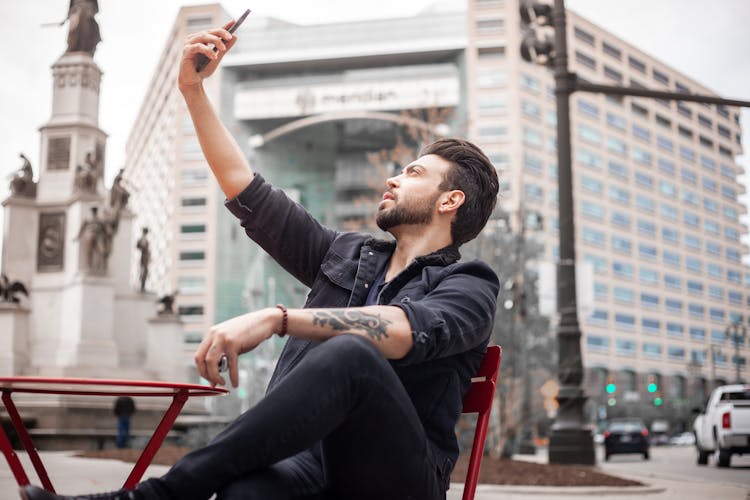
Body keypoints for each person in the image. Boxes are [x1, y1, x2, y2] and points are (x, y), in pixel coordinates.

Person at [20, 19, 500, 500]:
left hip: (399, 481)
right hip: (312, 465)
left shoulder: (471, 283)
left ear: (449, 201)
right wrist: (192, 91)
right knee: (245, 492)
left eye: (413, 173)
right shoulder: (348, 256)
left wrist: (278, 319)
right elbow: (244, 187)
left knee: (353, 351)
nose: (393, 179)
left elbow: (402, 331)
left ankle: (155, 497)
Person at [136, 227, 150, 292]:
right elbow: (138, 246)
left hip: (146, 257)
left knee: (145, 271)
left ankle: (143, 286)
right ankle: (142, 286)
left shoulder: (144, 239)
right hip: (144, 257)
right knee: (144, 271)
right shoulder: (142, 239)